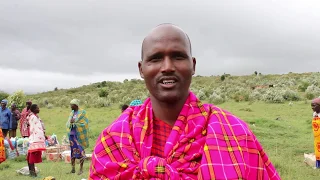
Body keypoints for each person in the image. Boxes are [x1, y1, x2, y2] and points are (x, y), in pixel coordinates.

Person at [89, 24, 280, 179]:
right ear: (141, 69)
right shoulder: (115, 138)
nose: (167, 67)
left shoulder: (235, 133)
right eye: (155, 59)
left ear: (193, 65)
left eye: (177, 56)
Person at [66, 99, 89, 175]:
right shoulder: (72, 113)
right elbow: (68, 123)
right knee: (72, 152)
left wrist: (75, 122)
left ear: (75, 105)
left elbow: (85, 123)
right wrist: (71, 122)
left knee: (81, 151)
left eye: (71, 105)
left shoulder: (82, 112)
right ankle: (73, 169)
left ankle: (81, 169)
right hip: (72, 135)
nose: (70, 106)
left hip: (79, 135)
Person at [27, 104, 46, 177]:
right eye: (38, 108)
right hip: (34, 139)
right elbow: (35, 128)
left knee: (30, 156)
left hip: (34, 138)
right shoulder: (33, 117)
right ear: (34, 109)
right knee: (31, 156)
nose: (39, 109)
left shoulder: (34, 116)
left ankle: (32, 172)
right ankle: (33, 173)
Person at [311, 97, 320, 168]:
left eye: (314, 106)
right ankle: (318, 166)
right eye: (311, 106)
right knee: (317, 150)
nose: (312, 108)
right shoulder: (314, 114)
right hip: (317, 137)